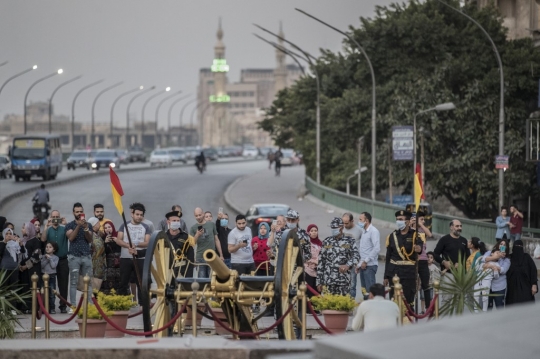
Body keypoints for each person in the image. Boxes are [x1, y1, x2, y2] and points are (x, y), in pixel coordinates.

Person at [384, 210, 423, 305]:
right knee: (394, 300)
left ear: (408, 222)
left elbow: (420, 249)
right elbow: (388, 256)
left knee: (408, 301)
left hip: (408, 273)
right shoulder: (392, 236)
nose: (398, 221)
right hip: (394, 273)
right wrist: (386, 276)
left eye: (401, 219)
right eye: (397, 219)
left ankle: (407, 319)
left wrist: (419, 249)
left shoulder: (415, 235)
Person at [114, 203, 150, 303]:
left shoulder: (145, 227)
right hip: (126, 257)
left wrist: (136, 244)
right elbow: (118, 240)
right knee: (124, 282)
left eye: (141, 215)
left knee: (141, 282)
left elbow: (147, 242)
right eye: (137, 214)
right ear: (132, 214)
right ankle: (122, 303)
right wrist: (128, 246)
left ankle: (143, 305)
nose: (139, 217)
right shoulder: (124, 225)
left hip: (140, 258)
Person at [317, 217, 360, 296]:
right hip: (328, 281)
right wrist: (319, 281)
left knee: (342, 306)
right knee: (328, 305)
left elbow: (356, 256)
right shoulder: (327, 241)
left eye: (335, 227)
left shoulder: (350, 241)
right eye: (332, 227)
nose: (333, 229)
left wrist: (348, 265)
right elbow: (321, 261)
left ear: (341, 227)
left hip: (343, 281)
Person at [433, 219, 470, 306]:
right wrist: (443, 262)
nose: (459, 228)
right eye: (457, 226)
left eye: (460, 226)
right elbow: (435, 254)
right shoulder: (444, 240)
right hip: (448, 274)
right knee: (447, 299)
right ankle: (445, 319)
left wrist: (462, 265)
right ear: (451, 227)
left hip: (460, 275)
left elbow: (468, 258)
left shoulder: (464, 240)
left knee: (459, 300)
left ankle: (458, 319)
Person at [66, 202, 94, 309]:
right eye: (77, 212)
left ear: (83, 212)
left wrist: (85, 228)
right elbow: (71, 238)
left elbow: (90, 239)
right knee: (73, 282)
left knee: (88, 282)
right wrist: (78, 226)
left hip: (86, 256)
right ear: (73, 213)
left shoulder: (89, 225)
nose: (79, 213)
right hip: (74, 257)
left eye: (81, 211)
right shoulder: (69, 225)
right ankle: (73, 306)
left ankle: (90, 305)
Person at [41, 210, 69, 313]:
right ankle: (49, 306)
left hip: (62, 260)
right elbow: (43, 239)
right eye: (53, 216)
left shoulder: (64, 228)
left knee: (63, 284)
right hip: (50, 260)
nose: (55, 218)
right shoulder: (48, 230)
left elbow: (70, 237)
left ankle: (63, 306)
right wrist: (45, 226)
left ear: (60, 217)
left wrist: (67, 225)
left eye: (57, 216)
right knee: (49, 284)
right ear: (51, 218)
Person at [189, 207, 223, 278]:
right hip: (200, 257)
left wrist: (221, 255)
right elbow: (192, 244)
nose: (198, 217)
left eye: (199, 215)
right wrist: (197, 235)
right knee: (202, 281)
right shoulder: (193, 228)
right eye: (196, 216)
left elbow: (216, 240)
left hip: (212, 256)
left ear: (203, 214)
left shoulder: (211, 225)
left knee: (212, 279)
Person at [409, 211, 432, 310]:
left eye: (424, 219)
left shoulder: (422, 230)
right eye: (421, 219)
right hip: (412, 260)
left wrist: (421, 224)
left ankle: (428, 306)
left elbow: (429, 234)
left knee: (426, 284)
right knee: (411, 284)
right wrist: (411, 224)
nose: (423, 221)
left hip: (423, 260)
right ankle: (411, 304)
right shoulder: (410, 229)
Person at [355, 212, 380, 301]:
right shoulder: (363, 232)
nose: (359, 221)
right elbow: (364, 250)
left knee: (371, 292)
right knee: (364, 291)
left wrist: (366, 261)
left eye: (361, 219)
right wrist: (359, 265)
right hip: (363, 266)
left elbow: (376, 248)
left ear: (367, 221)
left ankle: (373, 311)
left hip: (369, 266)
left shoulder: (373, 231)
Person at [505, 239, 538, 305]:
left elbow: (533, 270)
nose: (518, 248)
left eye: (519, 246)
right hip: (512, 289)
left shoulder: (527, 257)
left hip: (526, 288)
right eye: (516, 246)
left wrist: (534, 284)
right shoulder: (509, 258)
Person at [19, 222, 42, 313]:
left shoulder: (35, 241)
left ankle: (34, 308)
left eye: (24, 228)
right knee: (25, 287)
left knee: (34, 287)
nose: (22, 230)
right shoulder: (23, 241)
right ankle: (26, 307)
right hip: (24, 270)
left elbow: (37, 256)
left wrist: (25, 266)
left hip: (33, 269)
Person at [165, 210, 194, 278]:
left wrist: (188, 278)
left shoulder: (186, 237)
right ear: (168, 222)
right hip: (167, 271)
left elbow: (190, 258)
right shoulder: (163, 237)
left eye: (178, 221)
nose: (176, 222)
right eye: (174, 221)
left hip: (181, 272)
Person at [482, 240, 510, 310]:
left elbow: (503, 270)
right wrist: (495, 257)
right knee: (487, 307)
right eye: (501, 244)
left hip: (499, 287)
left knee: (500, 307)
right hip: (488, 286)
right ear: (498, 245)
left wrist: (491, 266)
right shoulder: (489, 253)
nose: (502, 246)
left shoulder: (506, 259)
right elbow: (483, 259)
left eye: (504, 245)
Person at [342, 213, 362, 298]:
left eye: (347, 223)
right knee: (342, 283)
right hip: (342, 260)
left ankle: (350, 304)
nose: (344, 225)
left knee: (352, 284)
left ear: (352, 221)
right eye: (343, 222)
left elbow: (363, 246)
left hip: (354, 260)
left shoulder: (359, 230)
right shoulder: (341, 229)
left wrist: (360, 262)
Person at [101, 220, 121, 294]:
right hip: (109, 265)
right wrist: (105, 243)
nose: (107, 229)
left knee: (119, 281)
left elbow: (122, 248)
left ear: (112, 227)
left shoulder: (118, 235)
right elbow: (103, 252)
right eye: (105, 228)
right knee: (109, 281)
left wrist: (118, 241)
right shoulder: (103, 238)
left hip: (119, 264)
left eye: (109, 227)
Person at [88, 217, 106, 292]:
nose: (100, 224)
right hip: (93, 263)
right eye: (98, 223)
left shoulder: (98, 233)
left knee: (100, 285)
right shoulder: (90, 234)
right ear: (94, 225)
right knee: (94, 285)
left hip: (100, 263)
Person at [304, 224, 322, 298]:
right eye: (312, 231)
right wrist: (315, 261)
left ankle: (316, 309)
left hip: (318, 272)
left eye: (315, 231)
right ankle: (308, 309)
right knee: (309, 292)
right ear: (308, 232)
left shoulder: (321, 243)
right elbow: (304, 256)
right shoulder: (306, 244)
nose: (314, 232)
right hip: (308, 271)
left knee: (317, 291)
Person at [41, 241, 59, 313]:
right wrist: (46, 259)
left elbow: (53, 266)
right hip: (43, 275)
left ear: (54, 249)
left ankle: (52, 308)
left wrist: (50, 259)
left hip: (52, 276)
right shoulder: (43, 257)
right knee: (43, 293)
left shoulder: (56, 257)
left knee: (52, 293)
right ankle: (43, 307)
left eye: (50, 247)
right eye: (47, 247)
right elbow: (42, 266)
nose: (48, 248)